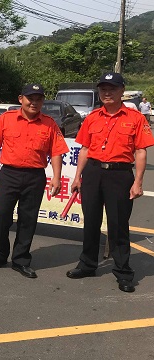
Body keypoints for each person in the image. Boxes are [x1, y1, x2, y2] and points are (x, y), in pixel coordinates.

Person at [66, 72, 154, 293]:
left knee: (118, 226)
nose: (107, 92)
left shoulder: (135, 118)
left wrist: (138, 182)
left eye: (112, 88)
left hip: (120, 175)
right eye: (103, 88)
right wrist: (78, 177)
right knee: (91, 222)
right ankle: (87, 264)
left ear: (122, 90)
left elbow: (140, 151)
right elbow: (85, 149)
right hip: (93, 173)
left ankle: (123, 271)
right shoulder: (92, 117)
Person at [0, 84, 69, 279]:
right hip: (9, 174)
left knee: (28, 220)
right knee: (1, 216)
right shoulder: (6, 119)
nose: (34, 102)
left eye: (39, 99)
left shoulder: (49, 124)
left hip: (34, 177)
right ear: (21, 98)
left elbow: (56, 152)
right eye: (30, 98)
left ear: (43, 101)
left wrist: (56, 177)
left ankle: (20, 259)